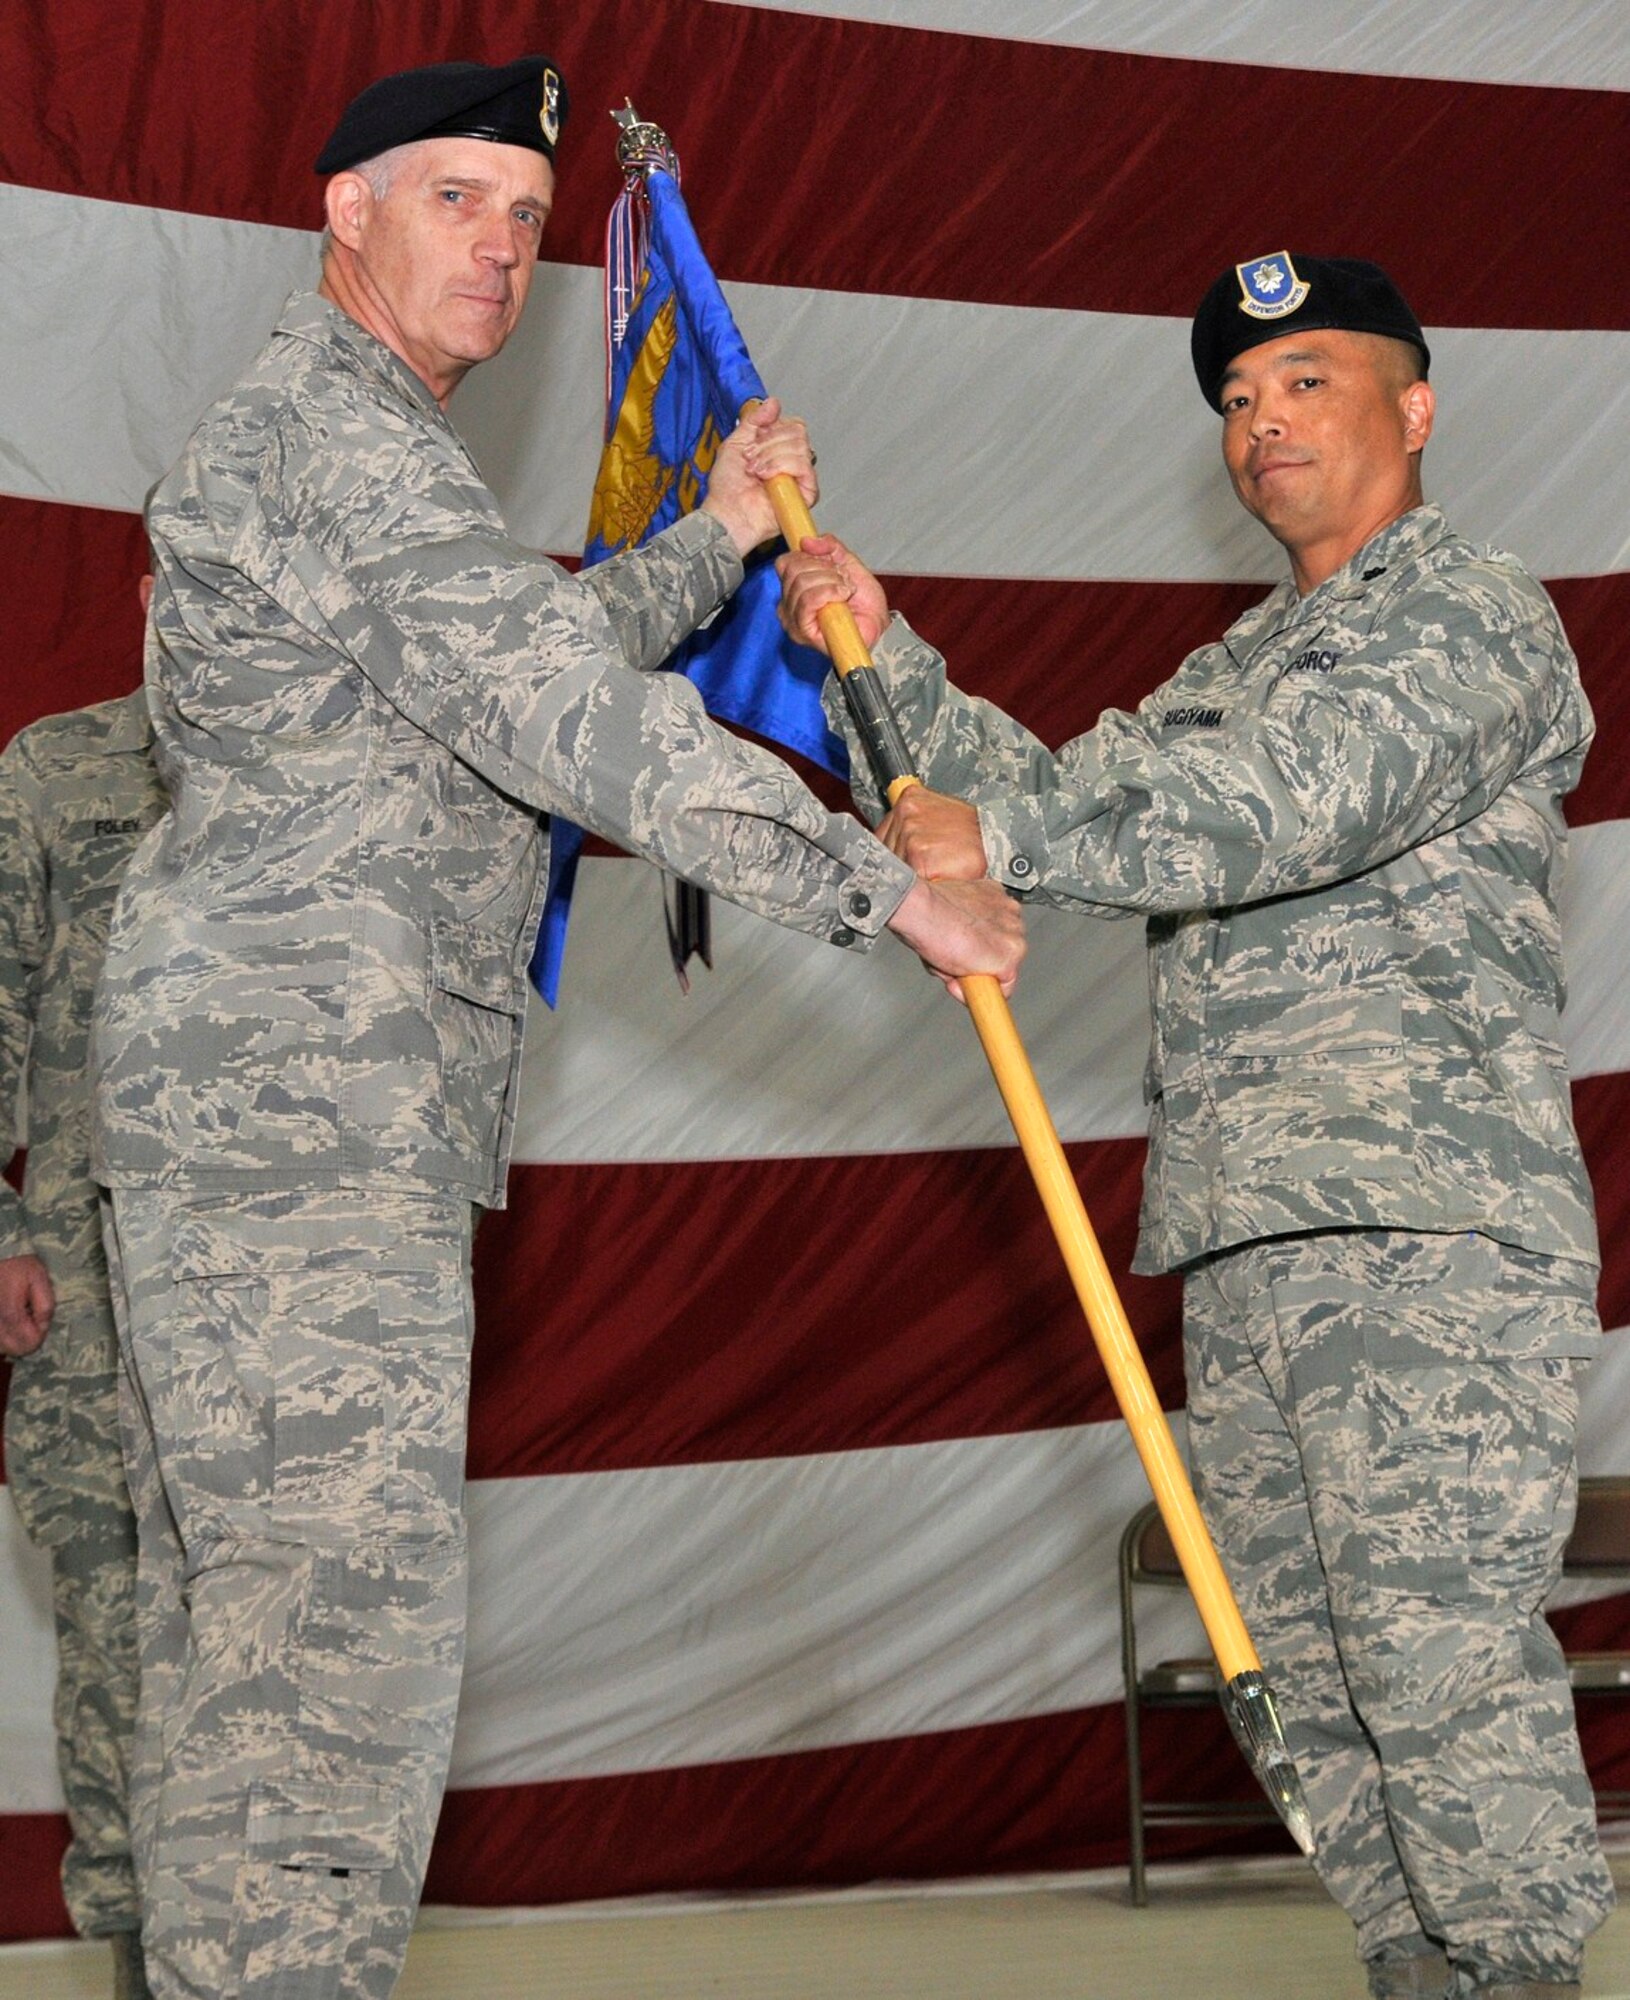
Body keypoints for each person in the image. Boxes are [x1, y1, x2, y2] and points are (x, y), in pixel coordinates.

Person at [87, 52, 1022, 2000]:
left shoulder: (358, 449)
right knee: (331, 1647)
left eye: (526, 220)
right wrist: (878, 886)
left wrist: (718, 531)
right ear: (344, 210)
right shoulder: (337, 434)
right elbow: (558, 717)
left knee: (252, 1644)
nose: (505, 251)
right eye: (455, 200)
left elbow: (515, 660)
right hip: (299, 1110)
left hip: (288, 1103)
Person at [777, 253, 1612, 1999]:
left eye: (1306, 379)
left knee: (1431, 1665)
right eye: (1237, 399)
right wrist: (880, 649)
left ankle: (1516, 1979)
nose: (1262, 422)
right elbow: (1050, 801)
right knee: (1302, 1679)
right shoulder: (1238, 663)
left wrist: (1001, 838)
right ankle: (1426, 1978)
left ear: (1415, 408)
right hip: (1245, 1244)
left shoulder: (1470, 610)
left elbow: (1273, 808)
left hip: (1421, 1238)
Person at [0, 663, 167, 2000]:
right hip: (91, 1279)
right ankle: (133, 1956)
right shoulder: (58, 769)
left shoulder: (318, 766)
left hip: (279, 1294)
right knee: (114, 1615)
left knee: (280, 1625)